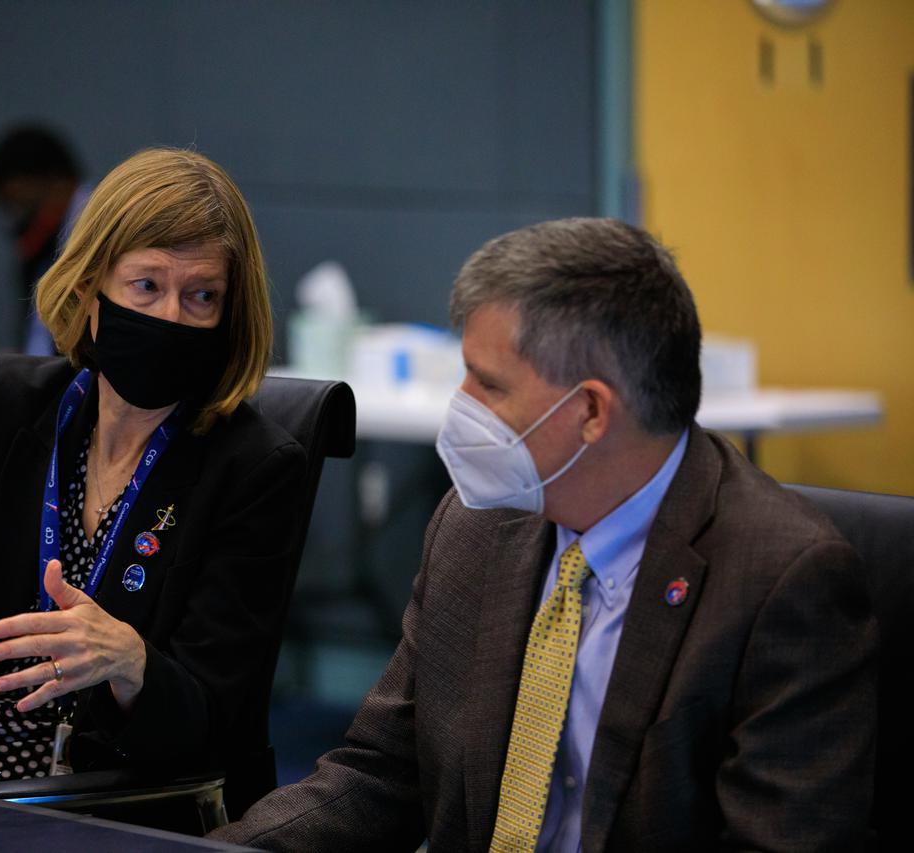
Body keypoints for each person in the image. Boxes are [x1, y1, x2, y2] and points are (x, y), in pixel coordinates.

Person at [212, 218, 876, 851]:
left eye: (488, 383)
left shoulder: (782, 582)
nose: (461, 403)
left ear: (589, 410)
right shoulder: (477, 523)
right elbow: (382, 770)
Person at [0, 147, 307, 818]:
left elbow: (217, 714)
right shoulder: (13, 403)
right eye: (146, 287)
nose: (171, 317)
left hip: (132, 799)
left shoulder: (254, 466)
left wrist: (132, 663)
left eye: (201, 296)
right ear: (90, 291)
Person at [0, 124, 92, 356]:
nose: (18, 223)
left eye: (23, 206)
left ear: (58, 183)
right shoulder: (45, 251)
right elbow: (41, 342)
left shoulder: (100, 238)